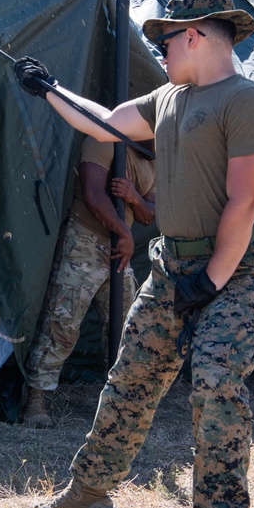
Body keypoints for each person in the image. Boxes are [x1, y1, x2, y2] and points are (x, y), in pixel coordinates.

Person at [13, 0, 254, 508]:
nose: (159, 52)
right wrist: (49, 89)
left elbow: (245, 202)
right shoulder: (168, 98)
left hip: (229, 270)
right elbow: (105, 124)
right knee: (130, 380)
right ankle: (87, 497)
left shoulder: (249, 101)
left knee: (215, 383)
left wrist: (210, 280)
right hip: (171, 270)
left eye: (164, 42)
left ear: (195, 36)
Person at [23, 136, 156, 428]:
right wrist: (124, 232)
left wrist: (133, 197)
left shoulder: (152, 159)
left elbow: (150, 214)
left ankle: (120, 402)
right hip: (83, 241)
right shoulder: (104, 141)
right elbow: (93, 194)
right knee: (63, 323)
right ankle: (36, 401)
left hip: (119, 251)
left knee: (127, 328)